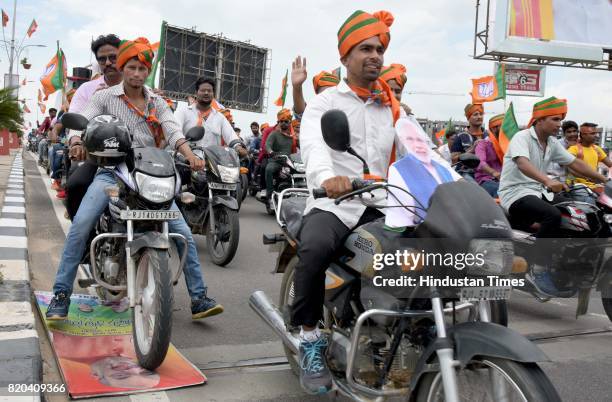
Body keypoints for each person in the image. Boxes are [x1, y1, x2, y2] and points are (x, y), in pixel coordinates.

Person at [45, 37, 223, 321]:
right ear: (123, 67)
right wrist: (77, 139)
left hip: (152, 174)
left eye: (142, 69)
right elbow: (85, 119)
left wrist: (190, 155)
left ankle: (199, 297)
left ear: (147, 71)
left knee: (183, 234)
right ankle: (61, 295)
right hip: (112, 172)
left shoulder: (157, 102)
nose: (137, 74)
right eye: (132, 68)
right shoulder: (104, 97)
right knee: (80, 226)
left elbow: (173, 131)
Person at [296, 9, 398, 394]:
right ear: (345, 57)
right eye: (365, 49)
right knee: (315, 249)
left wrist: (452, 180)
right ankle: (309, 339)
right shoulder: (325, 105)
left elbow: (421, 152)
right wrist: (327, 179)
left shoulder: (392, 108)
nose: (375, 56)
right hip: (336, 203)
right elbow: (313, 149)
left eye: (379, 49)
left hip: (384, 204)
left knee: (425, 250)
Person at [498, 97, 608, 296]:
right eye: (555, 120)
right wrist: (547, 180)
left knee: (579, 213)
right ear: (539, 120)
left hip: (540, 193)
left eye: (561, 120)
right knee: (553, 215)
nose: (560, 124)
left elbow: (575, 164)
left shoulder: (551, 143)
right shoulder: (522, 137)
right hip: (516, 193)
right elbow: (523, 163)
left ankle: (569, 264)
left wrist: (604, 179)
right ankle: (537, 268)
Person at [64, 34, 124, 219]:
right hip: (96, 156)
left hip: (133, 157)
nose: (107, 63)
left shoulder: (136, 87)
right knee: (75, 184)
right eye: (102, 59)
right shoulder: (87, 90)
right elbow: (77, 120)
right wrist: (75, 143)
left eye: (113, 57)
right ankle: (82, 239)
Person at [386, 119, 460, 228]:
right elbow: (403, 217)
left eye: (419, 140)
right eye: (410, 140)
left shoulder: (442, 169)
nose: (417, 144)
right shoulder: (398, 169)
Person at [174, 77, 245, 154]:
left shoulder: (220, 117)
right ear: (196, 92)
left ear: (213, 94)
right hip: (185, 161)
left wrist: (238, 148)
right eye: (203, 90)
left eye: (209, 91)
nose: (206, 93)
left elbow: (231, 135)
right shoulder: (183, 112)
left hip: (212, 163)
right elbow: (175, 133)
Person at [264, 109, 297, 205]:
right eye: (281, 121)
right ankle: (269, 194)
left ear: (290, 122)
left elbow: (302, 146)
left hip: (290, 162)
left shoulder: (293, 137)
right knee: (269, 169)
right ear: (278, 122)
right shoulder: (274, 134)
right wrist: (271, 152)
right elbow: (267, 145)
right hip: (276, 161)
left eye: (286, 121)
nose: (283, 123)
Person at [566, 122, 612, 190]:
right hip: (577, 187)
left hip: (594, 187)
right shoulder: (573, 149)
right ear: (583, 135)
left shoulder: (596, 149)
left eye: (596, 133)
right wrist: (587, 178)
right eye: (593, 133)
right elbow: (569, 169)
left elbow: (610, 164)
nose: (596, 135)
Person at [474, 113, 504, 197]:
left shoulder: (510, 144)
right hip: (486, 179)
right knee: (500, 191)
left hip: (506, 179)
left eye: (501, 126)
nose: (499, 129)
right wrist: (494, 173)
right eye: (495, 127)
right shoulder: (483, 144)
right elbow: (480, 162)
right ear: (492, 129)